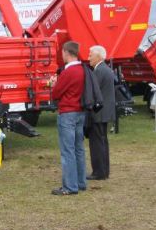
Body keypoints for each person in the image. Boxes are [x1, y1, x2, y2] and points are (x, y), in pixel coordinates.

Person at [48, 41, 86, 195]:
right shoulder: (83, 69)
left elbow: (56, 93)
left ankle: (70, 186)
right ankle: (80, 182)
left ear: (66, 52)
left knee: (67, 151)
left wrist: (53, 84)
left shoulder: (68, 72)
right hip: (80, 111)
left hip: (67, 112)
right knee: (79, 149)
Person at [86, 45, 115, 181]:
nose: (88, 58)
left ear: (98, 56)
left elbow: (93, 93)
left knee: (97, 143)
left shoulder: (99, 71)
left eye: (90, 55)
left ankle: (99, 172)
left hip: (98, 114)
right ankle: (103, 171)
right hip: (104, 113)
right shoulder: (105, 69)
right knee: (102, 142)